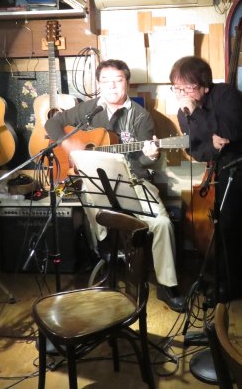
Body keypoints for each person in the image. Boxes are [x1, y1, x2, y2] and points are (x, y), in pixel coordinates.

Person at [44, 59, 185, 312]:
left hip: (133, 179)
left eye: (118, 80)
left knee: (163, 223)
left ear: (127, 83)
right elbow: (52, 123)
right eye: (105, 81)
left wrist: (151, 155)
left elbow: (144, 161)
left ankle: (167, 285)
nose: (111, 86)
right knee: (87, 192)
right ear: (98, 84)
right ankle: (105, 245)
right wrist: (69, 145)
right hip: (96, 181)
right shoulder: (90, 109)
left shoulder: (140, 116)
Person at [170, 56, 242, 321]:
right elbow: (196, 150)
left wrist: (203, 126)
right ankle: (231, 285)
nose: (182, 94)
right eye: (177, 88)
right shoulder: (185, 112)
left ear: (205, 85)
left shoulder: (225, 94)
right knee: (227, 230)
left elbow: (230, 132)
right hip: (229, 169)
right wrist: (209, 141)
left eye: (187, 87)